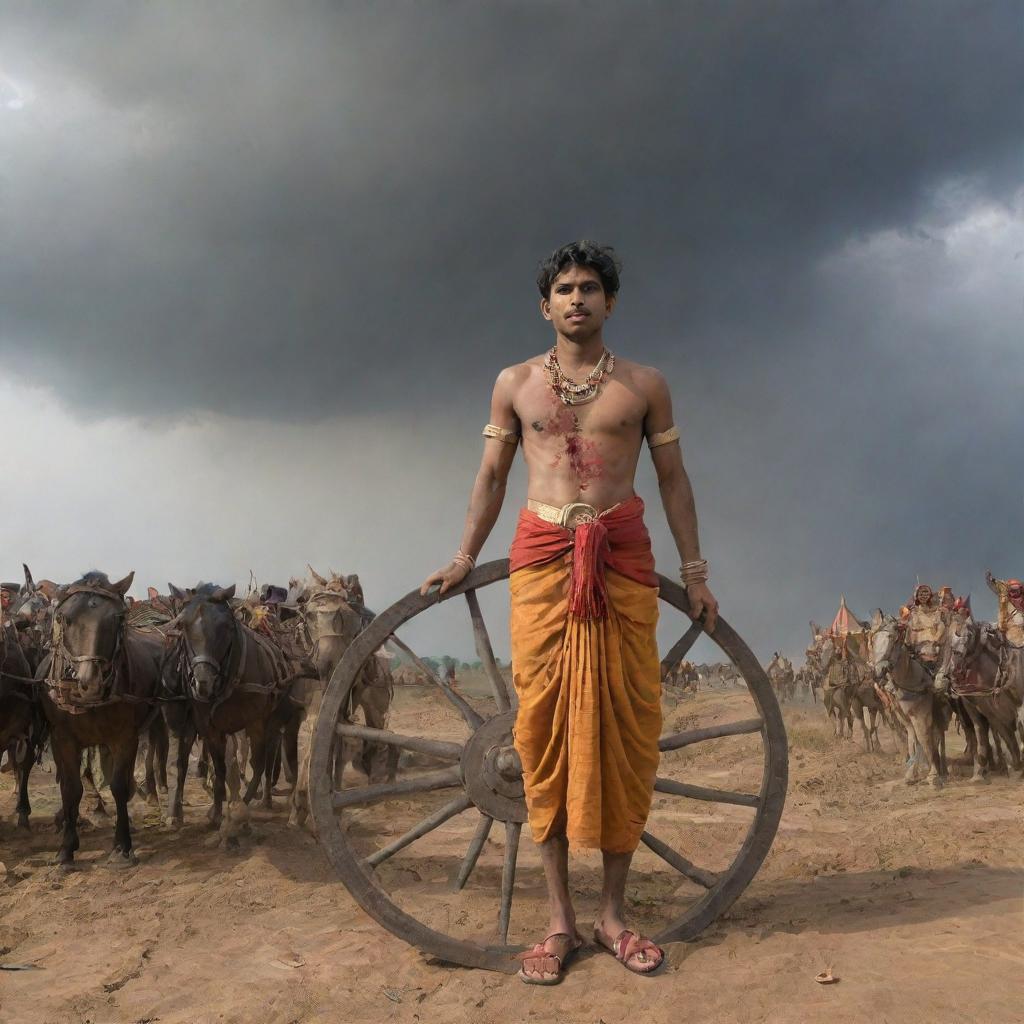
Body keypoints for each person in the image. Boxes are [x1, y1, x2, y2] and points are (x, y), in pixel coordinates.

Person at [420, 241, 718, 984]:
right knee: (542, 731)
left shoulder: (646, 386)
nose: (577, 298)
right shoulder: (515, 385)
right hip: (544, 559)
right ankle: (558, 923)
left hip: (622, 557)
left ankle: (612, 916)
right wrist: (463, 555)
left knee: (626, 732)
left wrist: (695, 571)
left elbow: (674, 479)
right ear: (544, 305)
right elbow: (492, 474)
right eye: (563, 288)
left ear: (610, 302)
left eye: (590, 287)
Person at [985, 571, 1024, 647]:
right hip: (1010, 621)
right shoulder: (1007, 599)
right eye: (1012, 590)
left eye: (1017, 590)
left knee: (1019, 620)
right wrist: (991, 580)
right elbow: (999, 586)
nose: (1014, 593)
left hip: (1020, 617)